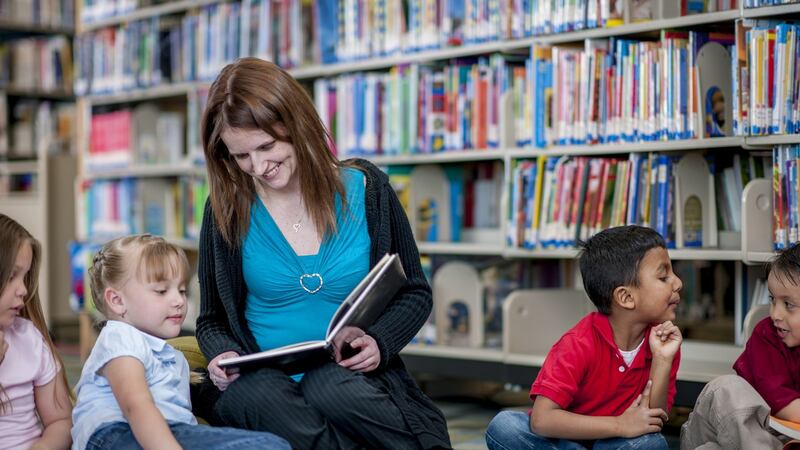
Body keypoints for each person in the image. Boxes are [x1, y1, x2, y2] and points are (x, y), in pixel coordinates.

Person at [195, 56, 451, 450]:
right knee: (259, 395)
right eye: (241, 156)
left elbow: (415, 291)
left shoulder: (368, 189)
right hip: (264, 379)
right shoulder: (225, 208)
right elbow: (211, 320)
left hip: (349, 375)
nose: (259, 166)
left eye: (267, 146)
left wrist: (379, 342)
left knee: (328, 385)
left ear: (297, 126)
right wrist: (221, 355)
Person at [70, 235, 290, 450]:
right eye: (161, 291)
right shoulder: (120, 338)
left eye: (182, 290)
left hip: (164, 432)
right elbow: (136, 407)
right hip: (116, 433)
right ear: (117, 301)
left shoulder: (172, 356)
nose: (178, 301)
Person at [485, 225, 682, 449]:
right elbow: (542, 420)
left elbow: (654, 420)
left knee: (652, 444)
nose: (677, 283)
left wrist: (662, 361)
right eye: (664, 276)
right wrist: (619, 424)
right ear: (626, 297)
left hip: (615, 444)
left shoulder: (663, 343)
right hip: (563, 440)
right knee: (504, 426)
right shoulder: (577, 343)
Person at [680, 243, 800, 449]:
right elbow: (785, 407)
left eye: (788, 304)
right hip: (730, 427)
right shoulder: (766, 334)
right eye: (772, 300)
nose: (775, 314)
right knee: (727, 388)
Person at [0, 214, 72, 450]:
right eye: (11, 276)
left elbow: (61, 421)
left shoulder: (29, 339)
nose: (23, 289)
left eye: (26, 276)